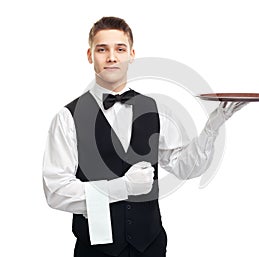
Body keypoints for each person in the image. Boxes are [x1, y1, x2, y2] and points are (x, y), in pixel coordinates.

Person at [42, 16, 247, 257]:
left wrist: (213, 126)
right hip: (96, 251)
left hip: (151, 246)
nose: (111, 57)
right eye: (102, 49)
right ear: (90, 55)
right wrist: (123, 187)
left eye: (120, 49)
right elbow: (56, 192)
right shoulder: (67, 117)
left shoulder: (155, 109)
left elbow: (185, 168)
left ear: (131, 54)